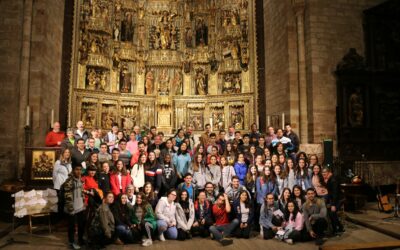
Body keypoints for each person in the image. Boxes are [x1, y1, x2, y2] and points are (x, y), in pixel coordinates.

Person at [63, 165, 86, 250]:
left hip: (80, 207)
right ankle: (72, 242)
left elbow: (81, 192)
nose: (78, 171)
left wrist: (83, 203)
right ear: (73, 170)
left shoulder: (80, 179)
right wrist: (70, 209)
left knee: (81, 225)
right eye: (77, 169)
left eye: (80, 169)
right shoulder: (69, 181)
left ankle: (80, 239)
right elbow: (67, 196)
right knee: (71, 226)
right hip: (71, 208)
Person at [322, 167, 344, 235]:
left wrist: (333, 205)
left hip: (339, 199)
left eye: (325, 173)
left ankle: (336, 229)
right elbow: (330, 192)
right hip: (334, 199)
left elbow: (335, 193)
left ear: (329, 173)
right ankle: (339, 228)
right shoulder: (329, 179)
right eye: (322, 173)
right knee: (330, 213)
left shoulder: (333, 180)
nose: (323, 174)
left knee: (332, 213)